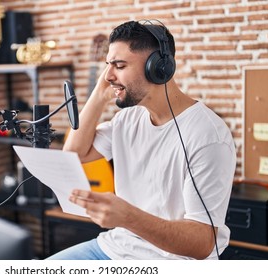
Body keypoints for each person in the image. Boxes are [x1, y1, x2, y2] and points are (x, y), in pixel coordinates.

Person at [47, 20, 236, 260]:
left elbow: (202, 243)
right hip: (115, 248)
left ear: (158, 67)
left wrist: (127, 216)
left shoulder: (208, 136)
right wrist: (98, 95)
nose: (109, 75)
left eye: (119, 65)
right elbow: (74, 154)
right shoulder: (127, 119)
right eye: (108, 65)